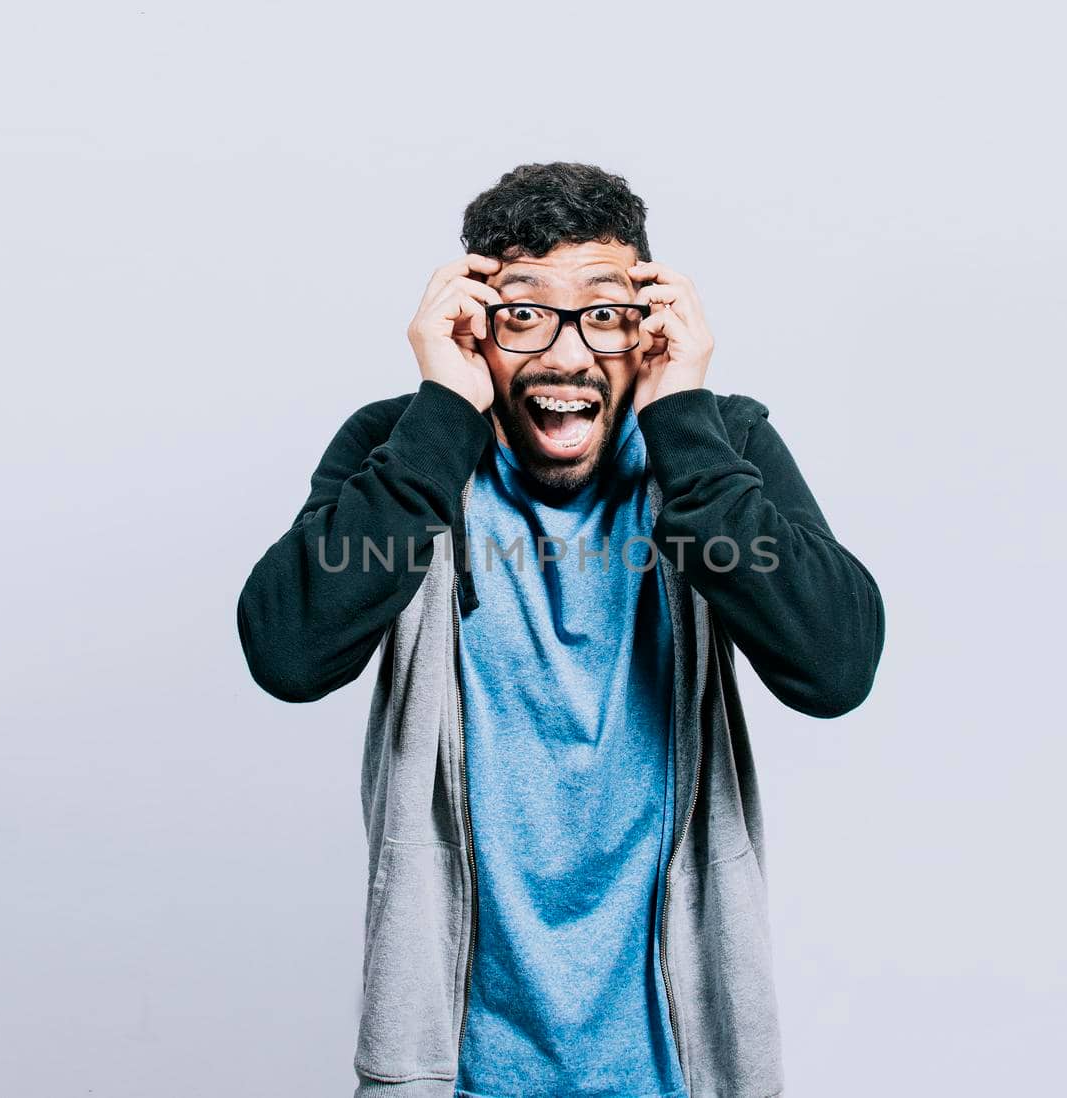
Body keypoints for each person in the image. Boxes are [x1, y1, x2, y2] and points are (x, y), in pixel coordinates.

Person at [237, 161, 885, 1098]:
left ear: (652, 322)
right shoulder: (400, 449)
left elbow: (836, 665)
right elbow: (289, 651)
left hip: (680, 1062)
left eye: (607, 312)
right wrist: (440, 413)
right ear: (473, 322)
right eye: (524, 311)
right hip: (453, 1066)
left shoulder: (719, 446)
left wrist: (687, 420)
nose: (568, 354)